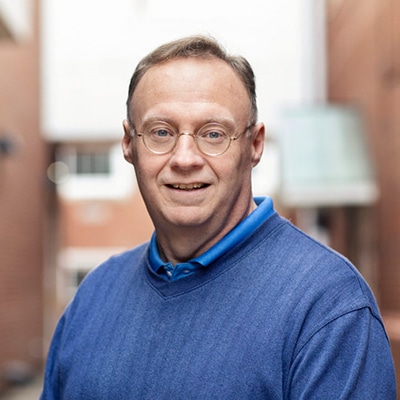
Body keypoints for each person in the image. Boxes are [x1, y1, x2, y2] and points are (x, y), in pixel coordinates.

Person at [40, 35, 396, 399]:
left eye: (213, 134)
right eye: (161, 132)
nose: (185, 159)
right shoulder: (94, 297)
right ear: (129, 144)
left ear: (254, 145)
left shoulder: (328, 306)